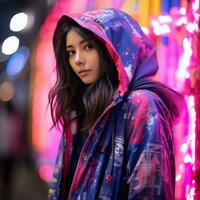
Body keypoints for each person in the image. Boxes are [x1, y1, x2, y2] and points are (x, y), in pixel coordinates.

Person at [48, 8, 183, 200]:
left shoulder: (141, 105)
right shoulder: (77, 108)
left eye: (87, 47)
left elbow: (149, 192)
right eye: (71, 52)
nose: (77, 60)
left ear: (113, 47)